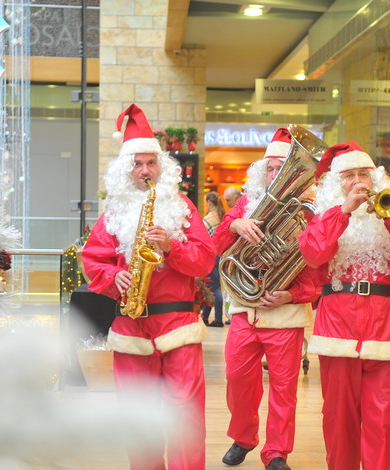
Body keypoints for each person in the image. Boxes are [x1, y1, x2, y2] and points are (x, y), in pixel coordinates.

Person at [81, 103, 215, 470]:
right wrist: (114, 278)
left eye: (150, 163)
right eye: (137, 164)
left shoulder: (183, 207)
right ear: (127, 170)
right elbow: (93, 261)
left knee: (186, 419)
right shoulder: (114, 213)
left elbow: (205, 260)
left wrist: (172, 246)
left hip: (179, 327)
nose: (144, 171)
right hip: (132, 325)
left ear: (162, 167)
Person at [299, 142, 390, 470]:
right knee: (338, 418)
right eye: (349, 176)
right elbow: (314, 253)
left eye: (364, 175)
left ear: (377, 181)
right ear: (335, 184)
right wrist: (342, 211)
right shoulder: (324, 216)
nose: (358, 183)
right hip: (338, 326)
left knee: (384, 420)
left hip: (386, 327)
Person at [211, 127, 319, 470]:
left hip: (285, 314)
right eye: (271, 168)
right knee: (237, 379)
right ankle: (243, 437)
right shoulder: (245, 203)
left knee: (284, 389)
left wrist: (292, 293)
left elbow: (318, 269)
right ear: (262, 172)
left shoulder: (310, 208)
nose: (276, 174)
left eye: (283, 167)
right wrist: (234, 226)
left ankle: (276, 452)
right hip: (246, 310)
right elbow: (215, 248)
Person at [201, 191, 225, 327]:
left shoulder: (208, 219)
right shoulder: (222, 216)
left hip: (211, 255)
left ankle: (217, 319)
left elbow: (203, 239)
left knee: (213, 287)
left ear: (209, 203)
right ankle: (207, 317)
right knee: (214, 286)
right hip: (221, 255)